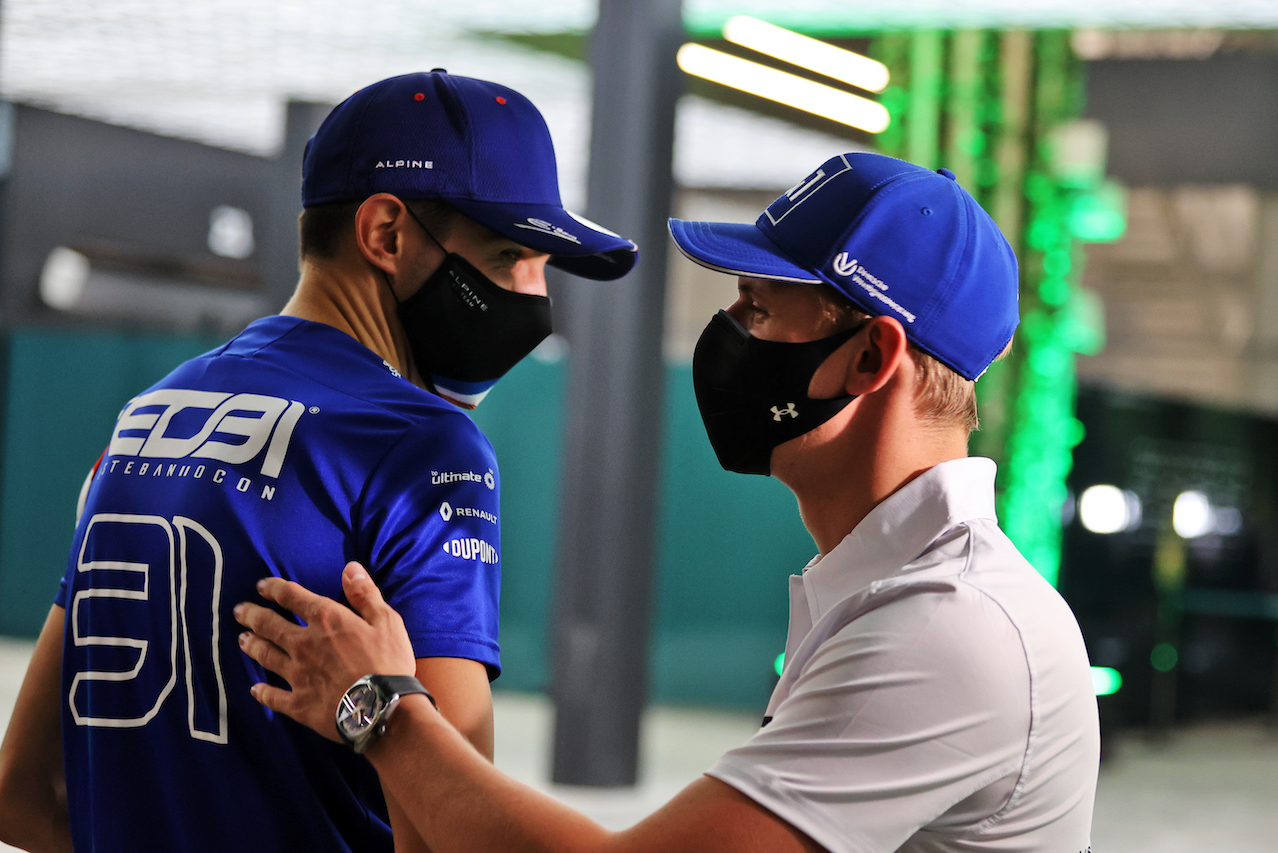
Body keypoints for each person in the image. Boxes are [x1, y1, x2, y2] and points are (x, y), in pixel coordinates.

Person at [234, 152, 1101, 852]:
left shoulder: (952, 627)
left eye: (758, 311)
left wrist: (379, 710)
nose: (725, 338)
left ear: (872, 357)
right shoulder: (893, 593)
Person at [0, 69, 637, 853]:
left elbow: (22, 794)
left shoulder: (145, 418)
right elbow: (452, 833)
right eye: (509, 255)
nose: (536, 296)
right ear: (387, 234)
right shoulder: (421, 443)